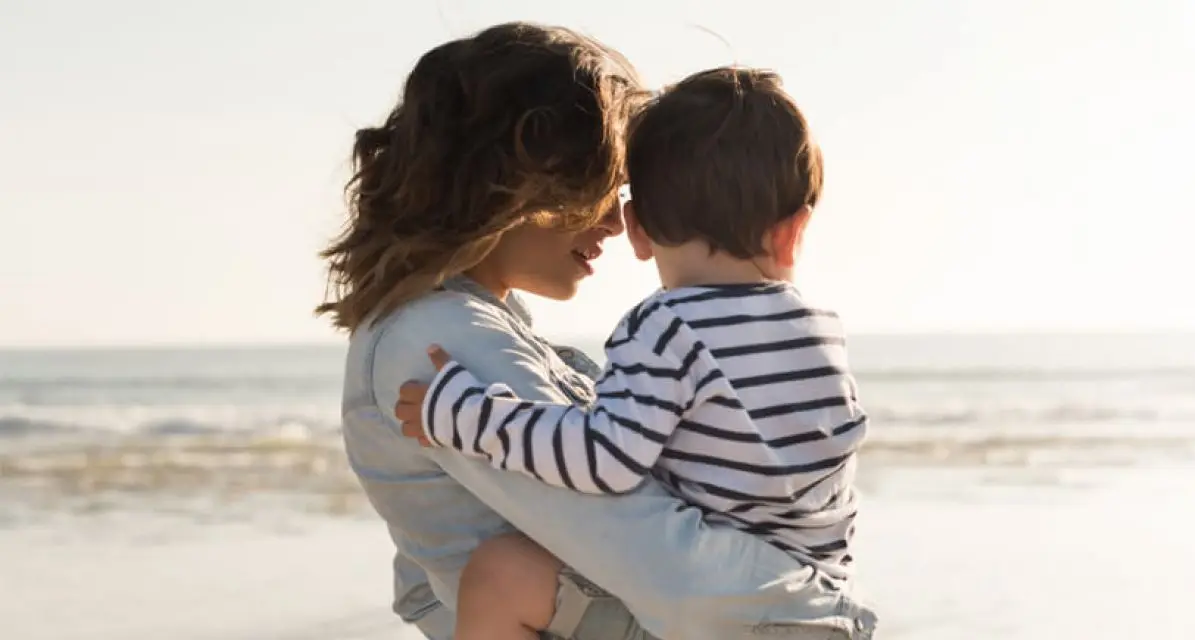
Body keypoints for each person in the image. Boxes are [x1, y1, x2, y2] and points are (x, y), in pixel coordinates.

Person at [320, 22, 876, 640]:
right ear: (511, 186)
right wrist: (822, 610)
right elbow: (651, 549)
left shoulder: (465, 326)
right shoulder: (437, 340)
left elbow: (427, 570)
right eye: (598, 187)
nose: (615, 222)